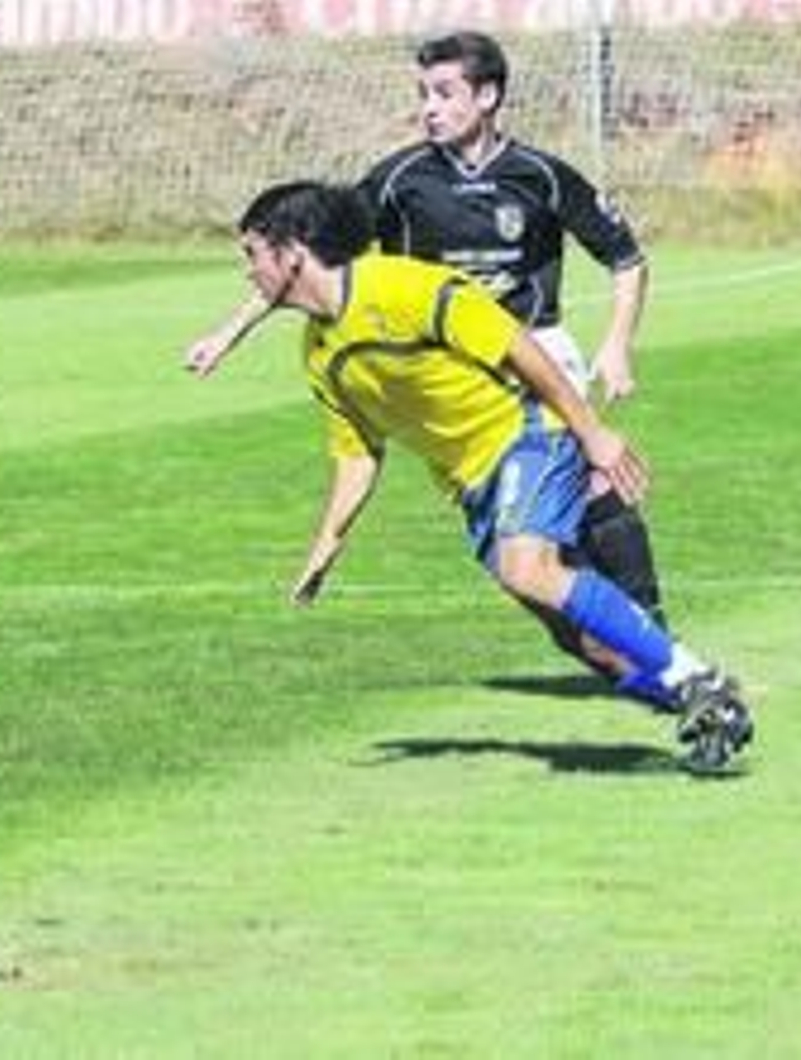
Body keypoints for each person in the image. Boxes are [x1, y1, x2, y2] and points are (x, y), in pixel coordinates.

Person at [186, 30, 665, 702]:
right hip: (446, 367)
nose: (429, 109)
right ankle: (616, 649)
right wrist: (227, 333)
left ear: (488, 96)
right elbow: (301, 256)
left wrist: (617, 344)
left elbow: (626, 259)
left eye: (443, 93)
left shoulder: (542, 175)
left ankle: (659, 640)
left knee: (598, 488)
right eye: (422, 95)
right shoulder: (398, 180)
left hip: (534, 346)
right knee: (526, 555)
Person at [214, 179, 752, 773]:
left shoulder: (404, 286)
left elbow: (519, 348)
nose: (248, 273)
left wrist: (592, 433)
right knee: (589, 644)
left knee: (529, 570)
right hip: (472, 485)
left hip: (529, 432)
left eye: (252, 254)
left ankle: (698, 677)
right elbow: (358, 455)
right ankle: (703, 705)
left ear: (293, 253)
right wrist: (324, 550)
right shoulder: (320, 353)